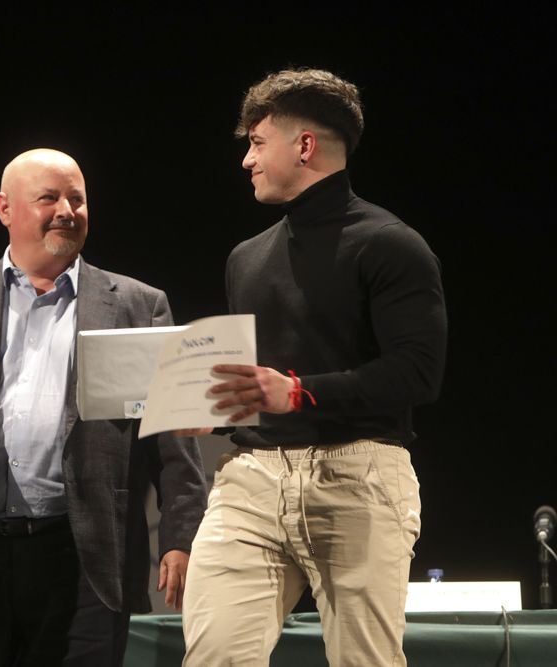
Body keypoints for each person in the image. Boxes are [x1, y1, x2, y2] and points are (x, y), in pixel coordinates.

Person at [0, 148, 207, 666]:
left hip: (85, 561)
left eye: (77, 198)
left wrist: (180, 537)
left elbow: (174, 442)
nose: (66, 210)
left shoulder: (138, 305)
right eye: (49, 197)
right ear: (4, 208)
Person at [181, 69, 448, 666]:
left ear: (304, 146)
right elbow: (259, 386)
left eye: (256, 142)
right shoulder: (245, 258)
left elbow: (417, 373)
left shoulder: (390, 244)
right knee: (214, 656)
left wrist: (300, 393)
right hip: (251, 481)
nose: (246, 160)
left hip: (359, 475)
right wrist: (213, 410)